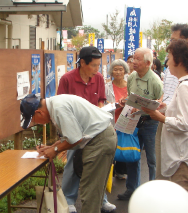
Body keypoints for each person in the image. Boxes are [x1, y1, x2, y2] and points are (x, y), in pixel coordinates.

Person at [20, 94, 117, 213]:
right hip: (100, 137)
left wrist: (55, 150)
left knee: (90, 192)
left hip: (99, 140)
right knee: (94, 191)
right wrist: (53, 146)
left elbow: (75, 139)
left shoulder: (59, 108)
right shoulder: (56, 103)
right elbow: (74, 133)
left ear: (39, 112)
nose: (37, 123)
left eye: (34, 120)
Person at [142, 39, 188, 202]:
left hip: (183, 157)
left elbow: (184, 123)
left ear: (179, 60)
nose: (167, 62)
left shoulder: (186, 86)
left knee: (184, 201)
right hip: (184, 154)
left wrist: (160, 117)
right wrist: (166, 107)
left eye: (169, 57)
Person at [57, 46, 116, 212]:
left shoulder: (98, 78)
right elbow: (61, 106)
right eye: (94, 65)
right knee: (72, 163)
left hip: (96, 130)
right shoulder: (67, 79)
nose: (97, 70)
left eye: (99, 65)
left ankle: (102, 199)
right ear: (82, 62)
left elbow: (101, 101)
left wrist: (100, 111)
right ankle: (69, 200)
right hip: (75, 129)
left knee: (98, 166)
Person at [117, 47, 163, 200]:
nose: (133, 62)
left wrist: (155, 104)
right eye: (133, 59)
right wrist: (125, 102)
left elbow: (161, 102)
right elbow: (130, 97)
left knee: (151, 158)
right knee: (133, 155)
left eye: (137, 59)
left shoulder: (155, 80)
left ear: (148, 63)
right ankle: (132, 190)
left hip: (150, 123)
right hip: (133, 120)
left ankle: (153, 192)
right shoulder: (131, 77)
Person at [105, 59, 129, 180]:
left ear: (125, 71)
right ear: (111, 71)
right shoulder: (107, 87)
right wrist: (115, 104)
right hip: (112, 119)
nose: (118, 72)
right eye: (115, 69)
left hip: (126, 120)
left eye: (121, 69)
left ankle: (121, 171)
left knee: (123, 145)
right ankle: (109, 172)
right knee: (112, 145)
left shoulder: (130, 86)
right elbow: (104, 103)